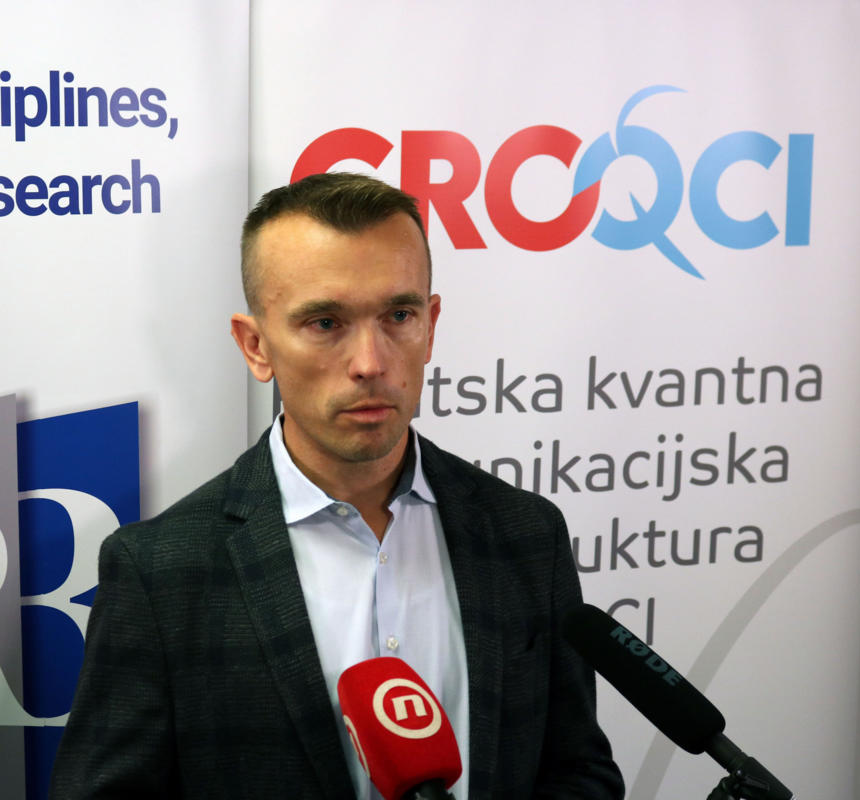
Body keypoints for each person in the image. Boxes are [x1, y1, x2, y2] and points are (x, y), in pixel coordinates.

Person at [50, 173, 623, 799]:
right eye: (326, 322)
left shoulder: (526, 533)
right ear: (255, 345)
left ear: (430, 325)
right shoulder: (161, 571)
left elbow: (578, 771)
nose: (371, 363)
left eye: (399, 315)